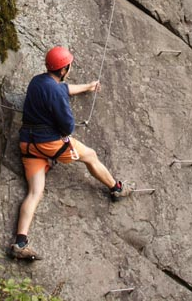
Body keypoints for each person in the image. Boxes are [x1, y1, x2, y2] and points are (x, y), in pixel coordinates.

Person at [11, 46, 133, 260]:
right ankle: (116, 188)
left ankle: (20, 242)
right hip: (49, 144)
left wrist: (88, 87)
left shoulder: (37, 80)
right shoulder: (56, 90)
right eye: (69, 66)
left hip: (27, 145)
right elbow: (68, 127)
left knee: (35, 192)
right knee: (90, 156)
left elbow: (62, 89)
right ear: (63, 69)